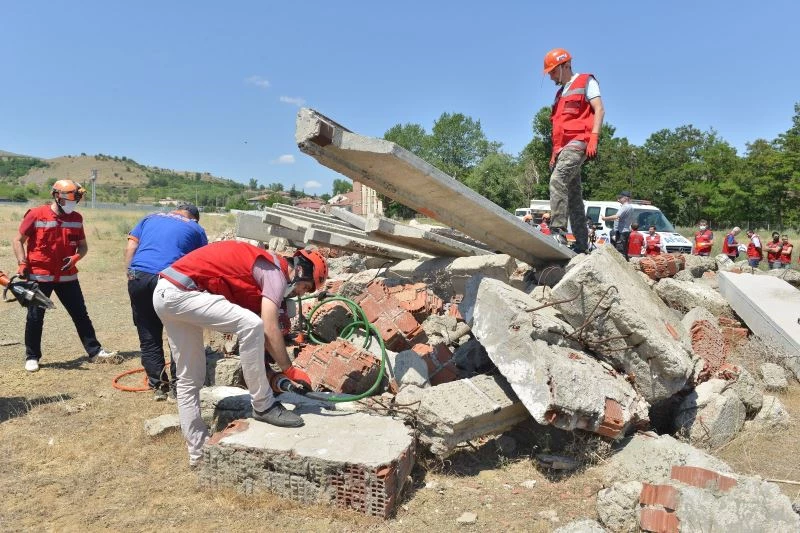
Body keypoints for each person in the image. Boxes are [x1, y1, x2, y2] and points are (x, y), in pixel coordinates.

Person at [153, 241, 328, 467]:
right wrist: (290, 370)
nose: (300, 293)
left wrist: (271, 373)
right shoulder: (275, 273)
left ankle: (198, 454)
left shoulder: (264, 271)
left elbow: (260, 343)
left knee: (189, 379)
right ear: (301, 271)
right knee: (252, 325)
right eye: (305, 287)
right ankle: (263, 405)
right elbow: (268, 328)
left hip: (165, 292)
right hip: (182, 294)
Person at [12, 179, 119, 372]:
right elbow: (18, 240)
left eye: (76, 200)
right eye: (70, 199)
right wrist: (22, 262)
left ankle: (95, 352)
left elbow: (83, 246)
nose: (74, 203)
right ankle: (32, 356)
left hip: (67, 277)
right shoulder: (36, 214)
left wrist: (77, 257)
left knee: (80, 315)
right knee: (35, 316)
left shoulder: (77, 218)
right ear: (56, 197)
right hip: (39, 276)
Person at [125, 204, 208, 401]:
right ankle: (179, 387)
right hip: (170, 280)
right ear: (194, 218)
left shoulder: (149, 218)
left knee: (148, 332)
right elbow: (202, 261)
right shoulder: (196, 228)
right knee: (178, 332)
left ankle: (158, 386)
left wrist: (129, 273)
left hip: (139, 276)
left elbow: (131, 247)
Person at [543, 48, 604, 253]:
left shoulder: (586, 81)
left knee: (557, 181)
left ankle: (557, 232)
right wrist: (554, 152)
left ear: (564, 66)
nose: (551, 76)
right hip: (563, 148)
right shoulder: (560, 94)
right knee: (574, 196)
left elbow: (599, 109)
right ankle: (581, 244)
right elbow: (558, 127)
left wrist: (594, 137)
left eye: (552, 71)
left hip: (579, 142)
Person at [602, 191, 634, 260]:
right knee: (624, 250)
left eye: (621, 197)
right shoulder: (630, 207)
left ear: (625, 198)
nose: (619, 198)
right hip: (626, 230)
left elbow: (616, 216)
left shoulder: (625, 207)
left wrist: (605, 218)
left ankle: (620, 268)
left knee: (620, 250)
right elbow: (620, 218)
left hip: (622, 231)